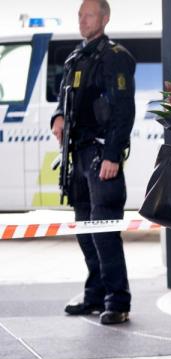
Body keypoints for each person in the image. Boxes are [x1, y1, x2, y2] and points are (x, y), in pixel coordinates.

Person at [51, 0, 135, 325]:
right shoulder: (77, 56)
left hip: (102, 155)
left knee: (103, 231)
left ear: (105, 17)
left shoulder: (115, 57)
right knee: (85, 230)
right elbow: (64, 97)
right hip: (78, 154)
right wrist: (58, 117)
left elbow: (123, 109)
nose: (82, 20)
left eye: (88, 15)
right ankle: (95, 295)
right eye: (79, 15)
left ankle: (118, 300)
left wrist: (113, 154)